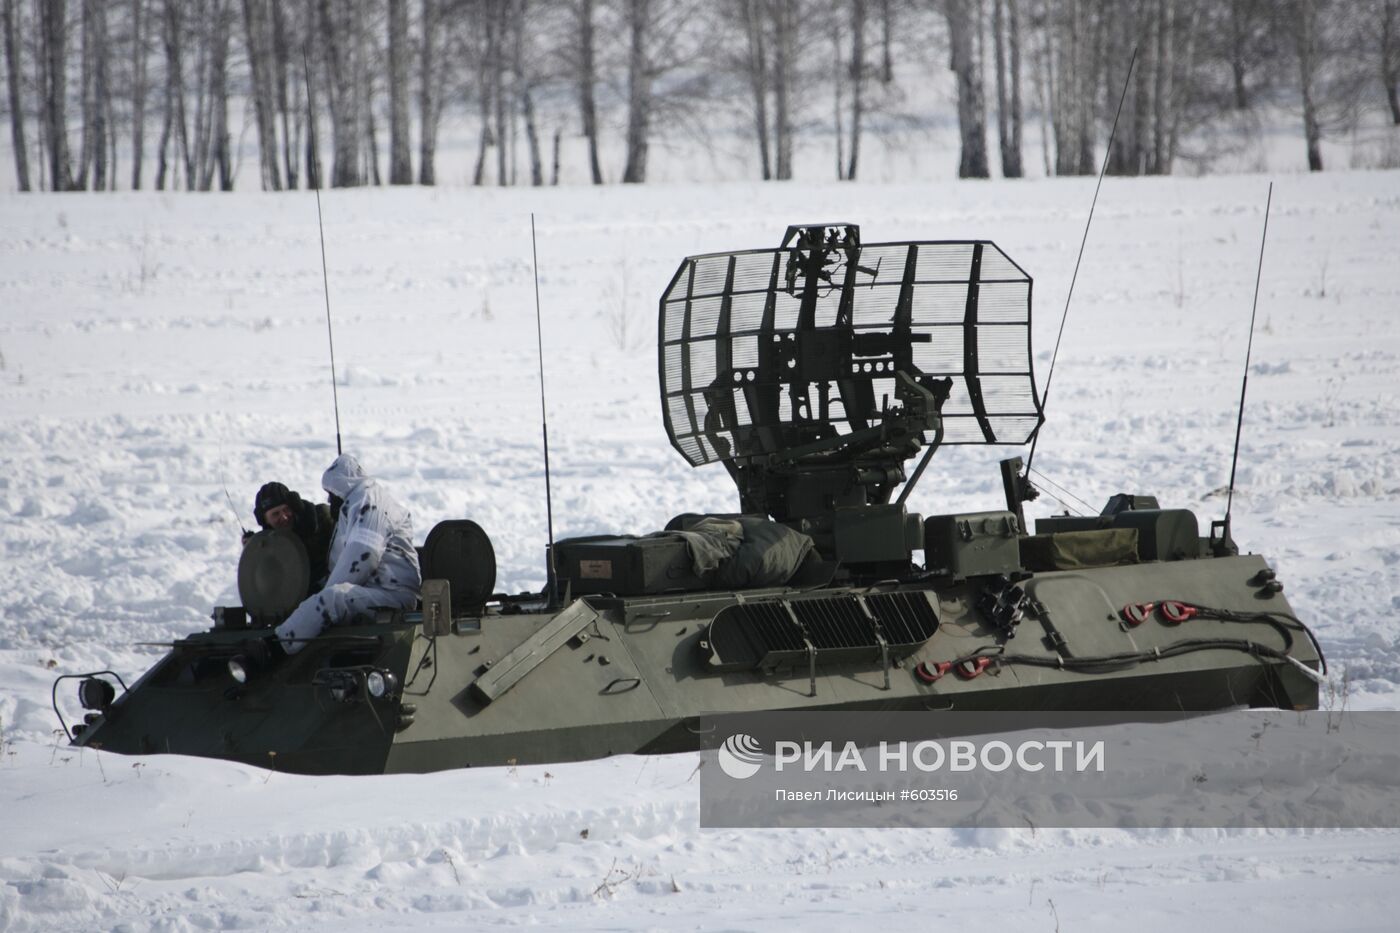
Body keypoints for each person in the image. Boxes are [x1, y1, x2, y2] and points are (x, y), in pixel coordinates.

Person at [272, 454, 421, 655]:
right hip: (376, 590)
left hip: (393, 596)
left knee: (334, 598)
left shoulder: (369, 501)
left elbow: (362, 557)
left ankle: (276, 648)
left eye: (331, 493)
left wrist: (324, 598)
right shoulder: (353, 505)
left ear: (341, 487)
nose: (328, 499)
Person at [252, 481, 336, 591]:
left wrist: (306, 521)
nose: (284, 517)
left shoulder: (322, 517)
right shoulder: (267, 547)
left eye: (286, 509)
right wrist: (252, 549)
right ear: (265, 520)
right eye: (275, 514)